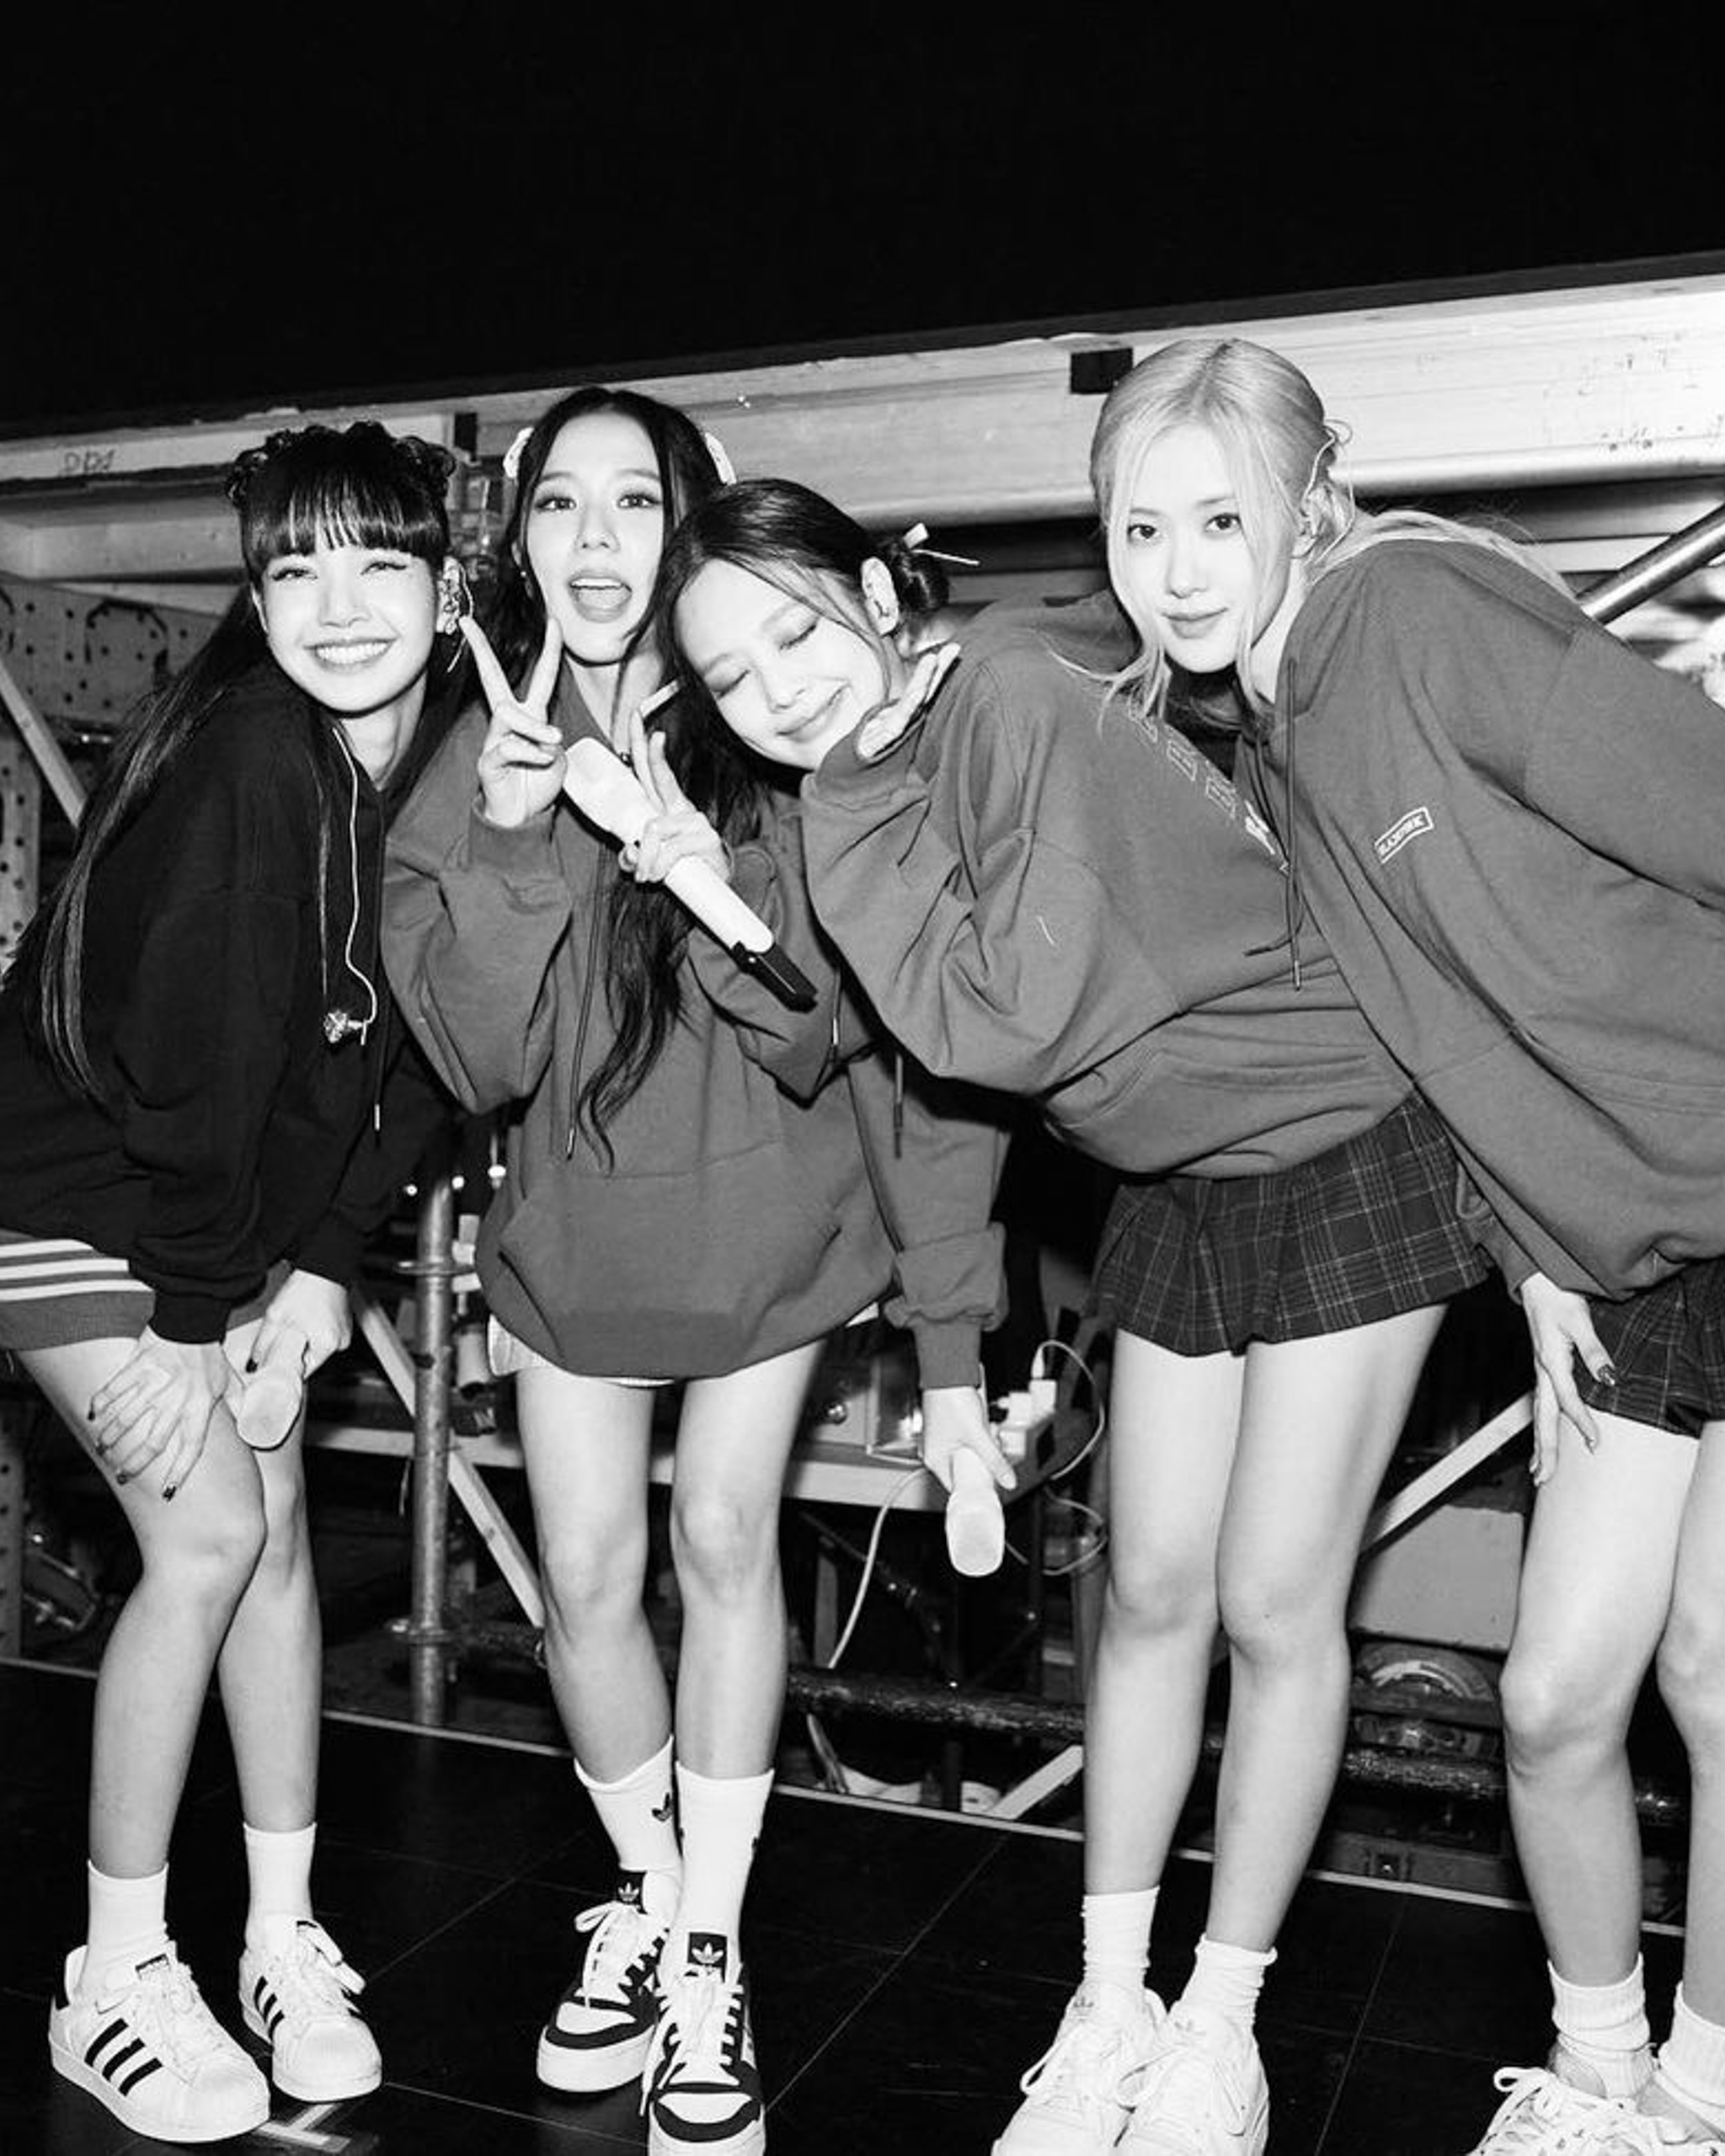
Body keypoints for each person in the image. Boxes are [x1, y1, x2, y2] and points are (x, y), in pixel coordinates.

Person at [659, 476, 1496, 2156]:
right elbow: (919, 1094)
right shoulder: (862, 785)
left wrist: (816, 843)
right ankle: (1110, 2003)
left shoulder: (1006, 698)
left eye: (791, 633)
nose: (775, 692)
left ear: (875, 593)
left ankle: (1222, 2024)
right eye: (730, 679)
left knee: (1273, 1597)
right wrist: (950, 1377)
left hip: (1345, 1137)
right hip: (1173, 1179)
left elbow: (1001, 1024)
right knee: (1150, 1593)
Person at [1076, 334, 1725, 2156]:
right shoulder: (1269, 729)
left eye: (1220, 518)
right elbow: (1447, 1044)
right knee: (1555, 1699)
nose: (1178, 570)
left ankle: (1692, 2092)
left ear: (1311, 501)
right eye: (1141, 529)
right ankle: (1602, 2072)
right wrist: (1528, 1251)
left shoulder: (1414, 612)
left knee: (1711, 1668)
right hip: (1624, 1246)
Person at [380, 387, 1007, 2156]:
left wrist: (704, 867)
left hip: (770, 1223)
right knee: (583, 1575)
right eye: (557, 504)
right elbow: (477, 1057)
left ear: (689, 522)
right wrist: (514, 833)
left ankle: (713, 1945)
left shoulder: (771, 715)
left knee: (724, 1541)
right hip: (573, 1237)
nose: (594, 541)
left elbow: (828, 1030)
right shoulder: (475, 746)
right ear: (519, 537)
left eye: (633, 502)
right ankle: (651, 1900)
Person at [0, 420, 463, 2143]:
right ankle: (113, 1974)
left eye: (379, 563)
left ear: (445, 585)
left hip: (214, 1217)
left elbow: (418, 1056)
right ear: (254, 599)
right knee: (206, 1535)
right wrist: (203, 1317)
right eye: (295, 569)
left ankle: (279, 1937)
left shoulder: (435, 775)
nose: (338, 606)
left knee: (268, 1537)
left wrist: (323, 1264)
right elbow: (195, 1065)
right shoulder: (264, 752)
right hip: (68, 1193)